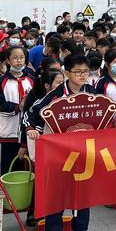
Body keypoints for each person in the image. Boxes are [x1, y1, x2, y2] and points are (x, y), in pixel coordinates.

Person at [25, 54, 96, 231]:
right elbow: (31, 114)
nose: (82, 75)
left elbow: (102, 117)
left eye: (86, 71)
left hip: (84, 154)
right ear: (66, 72)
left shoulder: (92, 93)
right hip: (58, 157)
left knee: (81, 197)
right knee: (56, 197)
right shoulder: (55, 96)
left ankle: (81, 228)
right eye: (77, 71)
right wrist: (32, 129)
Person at [19, 67, 64, 227]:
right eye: (59, 83)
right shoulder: (40, 102)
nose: (62, 85)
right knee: (42, 183)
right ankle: (36, 213)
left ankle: (51, 212)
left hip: (62, 151)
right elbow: (28, 121)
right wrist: (25, 143)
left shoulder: (64, 99)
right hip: (43, 149)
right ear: (47, 85)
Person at [0, 46, 35, 174]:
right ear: (8, 61)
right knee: (8, 168)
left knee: (27, 168)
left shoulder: (31, 79)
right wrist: (17, 107)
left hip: (28, 132)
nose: (19, 61)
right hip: (9, 132)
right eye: (15, 58)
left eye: (22, 57)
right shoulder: (2, 81)